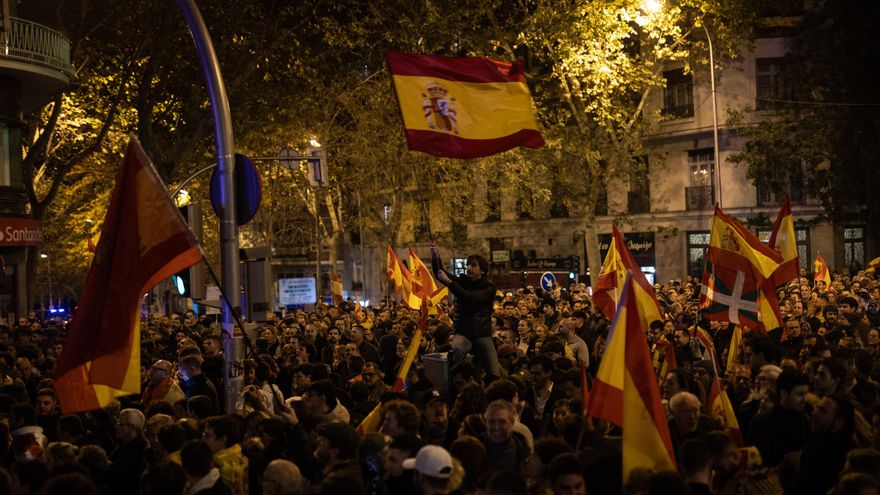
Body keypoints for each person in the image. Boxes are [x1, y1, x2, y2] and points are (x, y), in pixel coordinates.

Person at [436, 253, 501, 378]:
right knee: (457, 349)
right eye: (467, 265)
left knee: (494, 373)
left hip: (482, 335)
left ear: (482, 270)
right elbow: (440, 273)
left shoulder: (489, 287)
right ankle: (464, 379)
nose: (469, 268)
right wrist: (436, 257)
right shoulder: (463, 282)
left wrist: (450, 283)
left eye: (473, 265)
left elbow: (470, 298)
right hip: (463, 334)